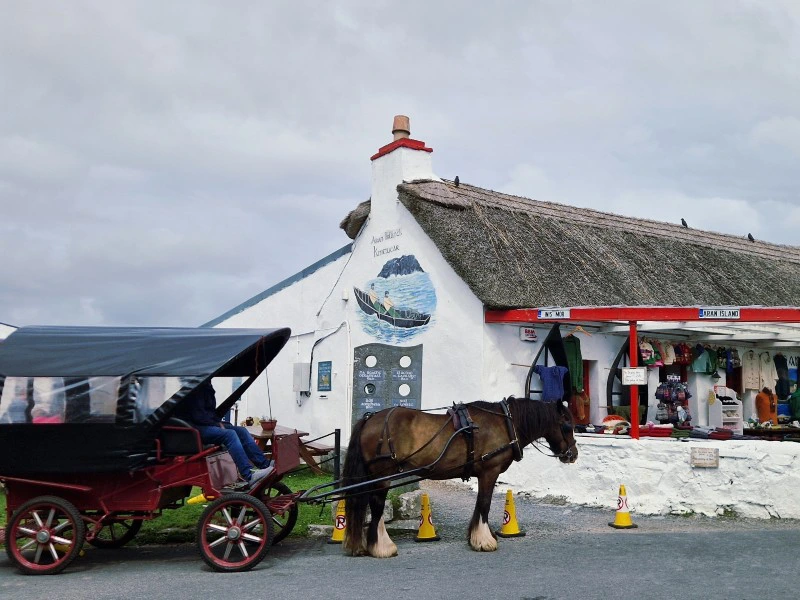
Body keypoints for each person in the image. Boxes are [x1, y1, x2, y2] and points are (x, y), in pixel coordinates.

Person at [175, 380, 273, 486]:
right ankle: (249, 474)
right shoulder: (194, 389)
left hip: (204, 424)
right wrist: (216, 424)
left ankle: (264, 464)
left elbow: (209, 413)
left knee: (241, 431)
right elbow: (199, 416)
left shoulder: (205, 386)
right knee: (230, 434)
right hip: (193, 429)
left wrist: (218, 422)